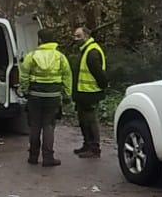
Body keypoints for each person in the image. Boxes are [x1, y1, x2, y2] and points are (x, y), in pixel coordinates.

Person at [19, 28, 73, 167]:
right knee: (49, 125)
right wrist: (67, 95)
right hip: (53, 96)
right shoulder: (60, 57)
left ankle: (33, 156)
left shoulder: (31, 56)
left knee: (35, 125)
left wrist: (25, 90)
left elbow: (24, 75)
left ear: (40, 40)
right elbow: (67, 76)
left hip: (35, 96)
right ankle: (48, 158)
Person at [72, 26, 107, 158]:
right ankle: (87, 144)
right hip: (83, 93)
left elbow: (99, 74)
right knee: (83, 121)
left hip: (90, 93)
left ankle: (94, 148)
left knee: (91, 121)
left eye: (78, 36)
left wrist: (103, 86)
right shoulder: (85, 50)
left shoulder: (92, 52)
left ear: (86, 36)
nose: (75, 39)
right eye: (75, 36)